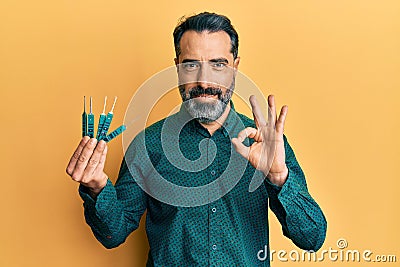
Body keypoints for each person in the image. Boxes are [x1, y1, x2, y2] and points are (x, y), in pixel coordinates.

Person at [66, 12, 327, 267]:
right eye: (191, 65)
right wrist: (97, 188)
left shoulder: (267, 145)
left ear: (235, 68)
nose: (204, 81)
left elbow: (312, 237)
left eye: (218, 64)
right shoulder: (149, 145)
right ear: (177, 67)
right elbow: (113, 234)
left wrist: (279, 177)